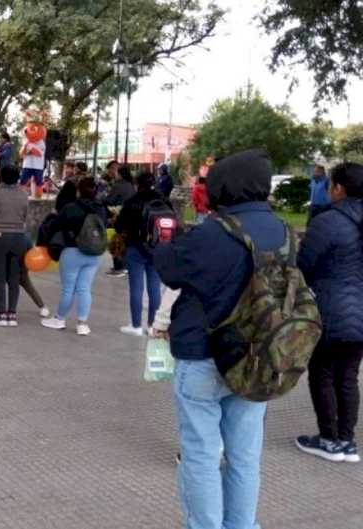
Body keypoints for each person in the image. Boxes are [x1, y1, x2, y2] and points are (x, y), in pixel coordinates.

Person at [154, 149, 287, 529]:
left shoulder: (213, 232)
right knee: (245, 455)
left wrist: (164, 242)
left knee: (200, 452)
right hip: (258, 356)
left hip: (203, 354)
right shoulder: (282, 232)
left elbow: (170, 271)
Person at [295, 162, 363, 463]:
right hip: (359, 314)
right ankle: (347, 442)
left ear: (338, 188)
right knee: (348, 375)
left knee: (321, 372)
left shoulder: (327, 221)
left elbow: (303, 265)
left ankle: (328, 439)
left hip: (330, 309)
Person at [40, 177, 108, 336]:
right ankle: (82, 324)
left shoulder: (70, 207)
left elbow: (55, 226)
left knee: (68, 288)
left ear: (79, 190)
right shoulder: (100, 208)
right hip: (94, 253)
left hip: (72, 251)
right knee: (85, 288)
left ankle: (59, 319)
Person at [115, 171, 170, 337]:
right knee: (155, 288)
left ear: (137, 184)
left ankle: (136, 325)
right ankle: (153, 325)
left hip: (135, 248)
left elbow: (118, 226)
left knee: (136, 287)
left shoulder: (132, 201)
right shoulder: (164, 200)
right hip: (158, 249)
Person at [0, 166, 29, 326]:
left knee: (0, 276)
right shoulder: (24, 194)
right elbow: (25, 216)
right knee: (14, 277)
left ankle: (1, 313)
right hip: (18, 237)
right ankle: (12, 314)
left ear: (2, 177)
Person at [104, 162, 134, 277]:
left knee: (116, 241)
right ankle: (123, 266)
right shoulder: (130, 185)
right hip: (129, 218)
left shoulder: (118, 185)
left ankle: (119, 267)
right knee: (123, 242)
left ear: (120, 174)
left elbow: (109, 201)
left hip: (118, 217)